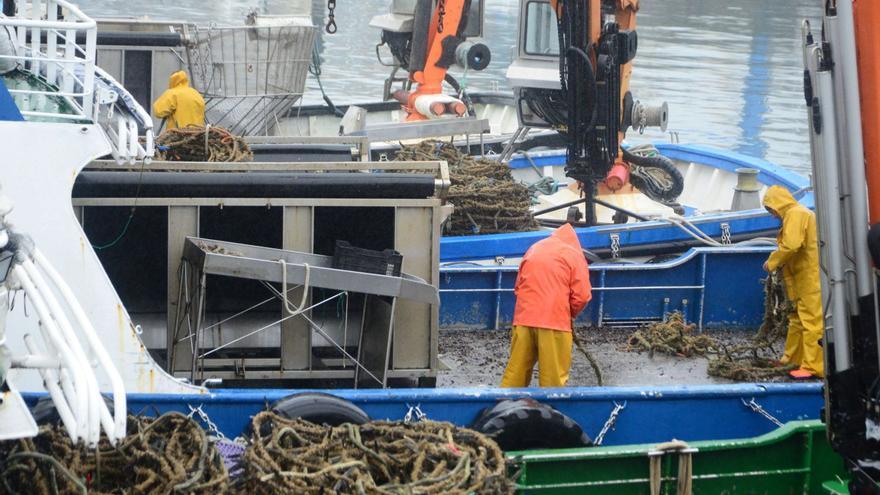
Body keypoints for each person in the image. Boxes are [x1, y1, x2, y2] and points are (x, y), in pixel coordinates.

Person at [500, 223, 592, 387]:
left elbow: (518, 287)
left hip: (523, 321)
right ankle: (551, 411)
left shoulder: (534, 249)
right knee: (553, 382)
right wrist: (570, 314)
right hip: (555, 323)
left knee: (515, 376)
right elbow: (582, 296)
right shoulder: (574, 254)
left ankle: (503, 409)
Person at [762, 185, 824, 379]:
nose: (773, 215)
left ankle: (814, 367)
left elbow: (791, 245)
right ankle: (792, 359)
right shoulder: (794, 214)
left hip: (809, 278)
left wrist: (771, 262)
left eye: (772, 210)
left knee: (811, 321)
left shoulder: (796, 214)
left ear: (778, 204)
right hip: (798, 277)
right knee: (796, 318)